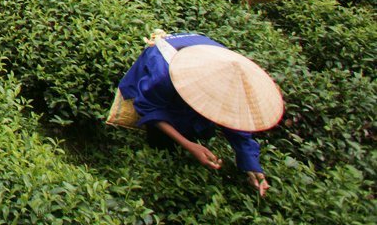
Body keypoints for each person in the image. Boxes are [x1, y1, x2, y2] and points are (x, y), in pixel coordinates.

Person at [115, 32, 283, 196]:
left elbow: (234, 122)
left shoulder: (231, 72)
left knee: (201, 119)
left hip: (195, 49)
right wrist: (188, 144)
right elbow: (149, 107)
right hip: (167, 59)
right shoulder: (164, 74)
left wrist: (252, 165)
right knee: (165, 132)